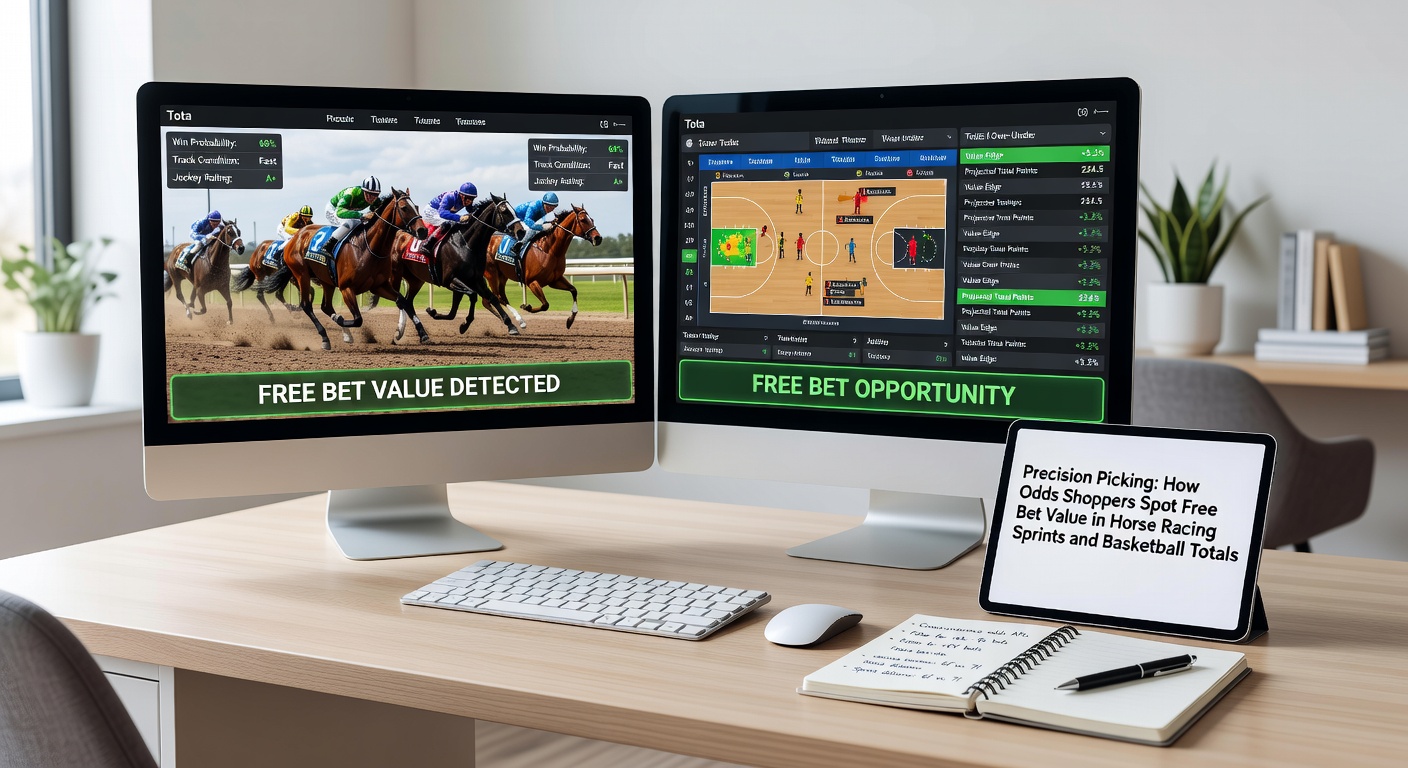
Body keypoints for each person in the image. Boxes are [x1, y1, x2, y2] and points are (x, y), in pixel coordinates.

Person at [414, 182, 478, 257]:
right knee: (447, 223)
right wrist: (459, 218)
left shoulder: (466, 200)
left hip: (440, 213)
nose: (470, 201)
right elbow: (442, 213)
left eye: (472, 199)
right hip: (430, 212)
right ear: (462, 195)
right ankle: (427, 244)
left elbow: (471, 210)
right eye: (468, 198)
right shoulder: (450, 196)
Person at [320, 176, 382, 255]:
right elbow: (339, 212)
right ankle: (328, 246)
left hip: (347, 211)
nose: (372, 198)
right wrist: (362, 215)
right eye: (369, 194)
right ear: (363, 191)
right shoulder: (351, 194)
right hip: (334, 210)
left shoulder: (375, 199)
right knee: (350, 223)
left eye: (375, 195)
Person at [509, 192, 560, 283]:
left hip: (524, 220)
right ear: (544, 203)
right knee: (533, 230)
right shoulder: (534, 205)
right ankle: (518, 246)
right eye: (548, 207)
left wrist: (550, 223)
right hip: (516, 219)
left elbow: (539, 222)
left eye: (553, 208)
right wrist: (542, 227)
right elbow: (528, 220)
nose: (550, 210)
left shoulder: (544, 209)